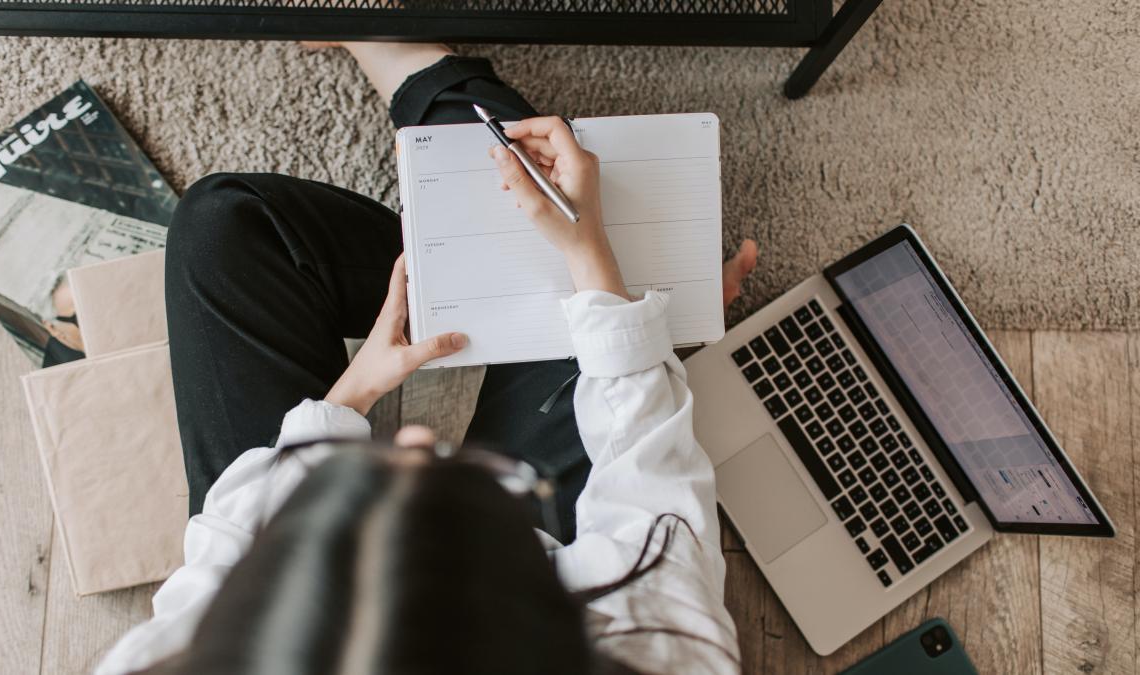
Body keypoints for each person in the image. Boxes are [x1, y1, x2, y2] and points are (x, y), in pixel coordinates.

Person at [95, 42, 759, 675]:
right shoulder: (662, 649)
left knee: (223, 226)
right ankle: (410, 58)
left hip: (269, 555)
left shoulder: (175, 660)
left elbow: (225, 548)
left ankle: (453, 216)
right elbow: (651, 488)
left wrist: (349, 397)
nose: (411, 434)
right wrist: (598, 268)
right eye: (458, 485)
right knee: (606, 290)